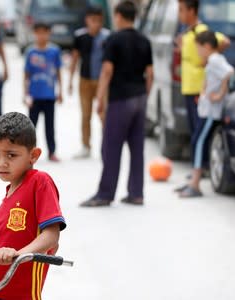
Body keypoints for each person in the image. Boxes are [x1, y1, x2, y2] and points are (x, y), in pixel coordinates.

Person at [0, 112, 66, 300]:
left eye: (11, 155)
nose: (1, 163)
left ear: (33, 155)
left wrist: (17, 255)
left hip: (15, 291)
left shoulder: (39, 182)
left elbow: (52, 236)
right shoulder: (10, 190)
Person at [80, 1, 153, 207]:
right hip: (139, 98)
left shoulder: (114, 39)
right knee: (137, 148)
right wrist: (144, 95)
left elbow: (106, 71)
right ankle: (136, 193)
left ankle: (105, 194)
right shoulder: (144, 40)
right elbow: (150, 74)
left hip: (121, 99)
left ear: (118, 16)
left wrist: (101, 98)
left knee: (111, 147)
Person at [177, 31, 234, 198]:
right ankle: (192, 182)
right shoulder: (212, 60)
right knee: (197, 141)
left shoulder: (216, 59)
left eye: (199, 49)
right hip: (206, 109)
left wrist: (220, 94)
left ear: (207, 46)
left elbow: (229, 72)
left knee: (199, 142)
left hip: (211, 112)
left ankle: (195, 183)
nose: (198, 53)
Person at [177, 0, 230, 169]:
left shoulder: (202, 31)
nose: (179, 14)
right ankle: (197, 168)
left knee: (199, 135)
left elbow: (224, 42)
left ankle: (201, 168)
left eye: (181, 10)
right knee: (195, 132)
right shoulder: (187, 32)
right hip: (189, 87)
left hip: (198, 90)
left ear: (192, 11)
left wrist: (207, 60)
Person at [68, 6, 110, 159]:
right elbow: (74, 58)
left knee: (104, 114)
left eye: (99, 21)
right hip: (84, 80)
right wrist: (70, 81)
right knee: (86, 115)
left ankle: (107, 145)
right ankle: (86, 146)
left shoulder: (107, 37)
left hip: (102, 82)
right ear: (87, 20)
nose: (96, 24)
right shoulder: (80, 37)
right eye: (93, 21)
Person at [24, 22, 63, 162]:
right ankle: (29, 152)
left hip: (49, 95)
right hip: (34, 95)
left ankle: (52, 152)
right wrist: (25, 93)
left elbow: (58, 71)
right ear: (34, 34)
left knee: (50, 126)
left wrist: (60, 91)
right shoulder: (30, 52)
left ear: (49, 33)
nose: (41, 36)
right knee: (31, 127)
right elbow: (26, 74)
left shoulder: (54, 51)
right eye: (38, 33)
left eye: (44, 32)